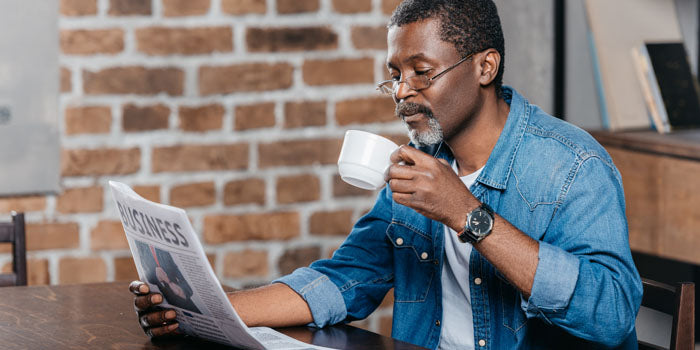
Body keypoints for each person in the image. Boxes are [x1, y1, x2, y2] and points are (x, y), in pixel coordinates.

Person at [130, 0, 642, 348]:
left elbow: (613, 312)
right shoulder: (422, 169)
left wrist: (467, 214)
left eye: (422, 71)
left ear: (486, 67)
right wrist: (209, 311)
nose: (402, 92)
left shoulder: (573, 167)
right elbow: (345, 280)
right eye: (395, 75)